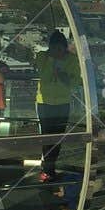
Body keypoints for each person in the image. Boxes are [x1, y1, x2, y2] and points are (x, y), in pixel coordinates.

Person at [33, 30, 80, 178]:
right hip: (44, 103)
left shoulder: (71, 60)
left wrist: (59, 72)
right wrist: (54, 62)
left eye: (61, 49)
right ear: (50, 47)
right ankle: (47, 168)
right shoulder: (42, 57)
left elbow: (73, 83)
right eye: (55, 48)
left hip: (62, 102)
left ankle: (50, 166)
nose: (58, 52)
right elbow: (45, 78)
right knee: (47, 136)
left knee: (58, 136)